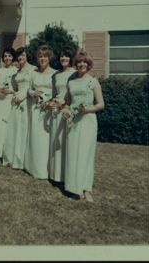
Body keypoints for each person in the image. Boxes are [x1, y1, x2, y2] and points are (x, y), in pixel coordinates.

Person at [62, 51, 105, 202]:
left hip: (88, 121)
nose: (82, 65)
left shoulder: (93, 82)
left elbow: (101, 104)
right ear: (76, 64)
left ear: (89, 65)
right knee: (73, 153)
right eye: (79, 62)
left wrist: (87, 109)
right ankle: (75, 188)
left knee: (86, 153)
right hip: (73, 122)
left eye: (85, 62)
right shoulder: (71, 82)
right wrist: (66, 111)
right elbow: (67, 102)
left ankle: (87, 189)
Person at [24, 45, 56, 179]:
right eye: (40, 56)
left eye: (45, 56)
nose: (42, 59)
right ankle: (35, 167)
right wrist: (33, 92)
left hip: (48, 109)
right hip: (35, 108)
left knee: (46, 138)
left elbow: (57, 92)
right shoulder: (33, 73)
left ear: (49, 58)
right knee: (36, 137)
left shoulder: (55, 73)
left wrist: (50, 101)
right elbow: (28, 89)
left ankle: (47, 169)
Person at [2, 47, 37, 169]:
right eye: (19, 56)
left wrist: (24, 96)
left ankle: (23, 158)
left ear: (27, 56)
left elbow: (33, 87)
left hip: (28, 100)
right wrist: (13, 93)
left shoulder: (33, 69)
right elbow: (16, 88)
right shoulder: (16, 72)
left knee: (25, 128)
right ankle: (13, 157)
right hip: (17, 101)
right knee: (15, 128)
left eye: (23, 55)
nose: (21, 58)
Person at [48, 47, 77, 184]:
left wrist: (64, 104)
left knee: (66, 142)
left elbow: (74, 95)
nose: (63, 58)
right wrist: (50, 102)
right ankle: (56, 175)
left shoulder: (75, 73)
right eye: (61, 56)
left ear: (71, 58)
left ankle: (66, 176)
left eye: (66, 56)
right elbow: (54, 94)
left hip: (67, 110)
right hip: (55, 111)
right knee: (56, 141)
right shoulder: (56, 75)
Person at [0, 47, 18, 161]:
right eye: (5, 56)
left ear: (13, 57)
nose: (7, 58)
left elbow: (17, 88)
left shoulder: (16, 71)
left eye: (10, 56)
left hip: (10, 100)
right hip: (0, 101)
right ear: (2, 58)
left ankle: (8, 151)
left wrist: (11, 91)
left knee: (9, 125)